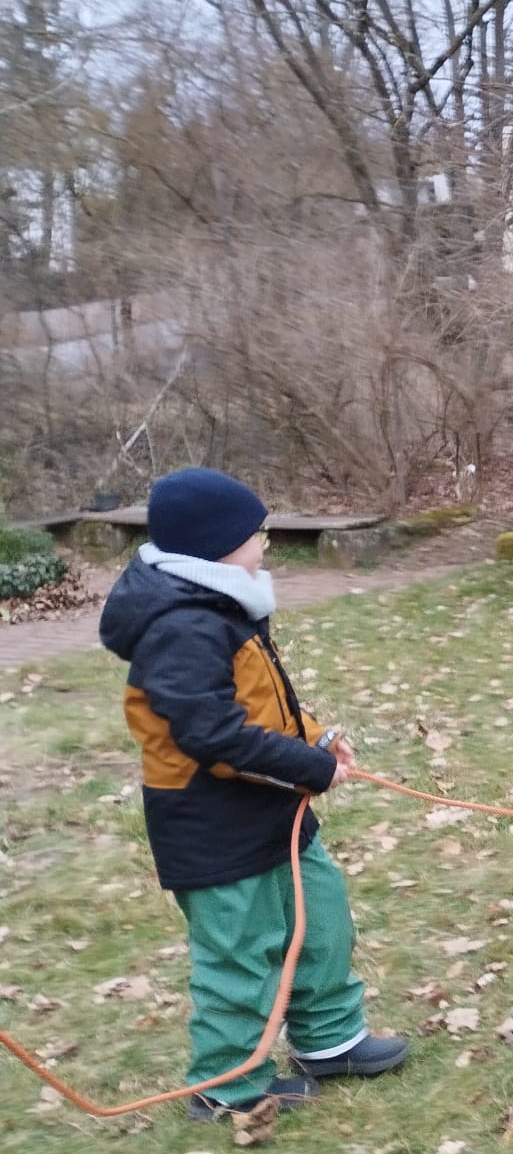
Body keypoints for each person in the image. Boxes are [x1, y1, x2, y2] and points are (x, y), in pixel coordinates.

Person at [98, 468, 408, 1120]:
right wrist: (308, 768)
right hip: (209, 822)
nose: (264, 542)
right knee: (240, 955)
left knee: (318, 917)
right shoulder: (179, 625)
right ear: (214, 546)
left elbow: (262, 708)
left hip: (271, 809)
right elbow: (212, 735)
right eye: (253, 533)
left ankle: (331, 1040)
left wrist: (316, 742)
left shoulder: (219, 605)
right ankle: (227, 1085)